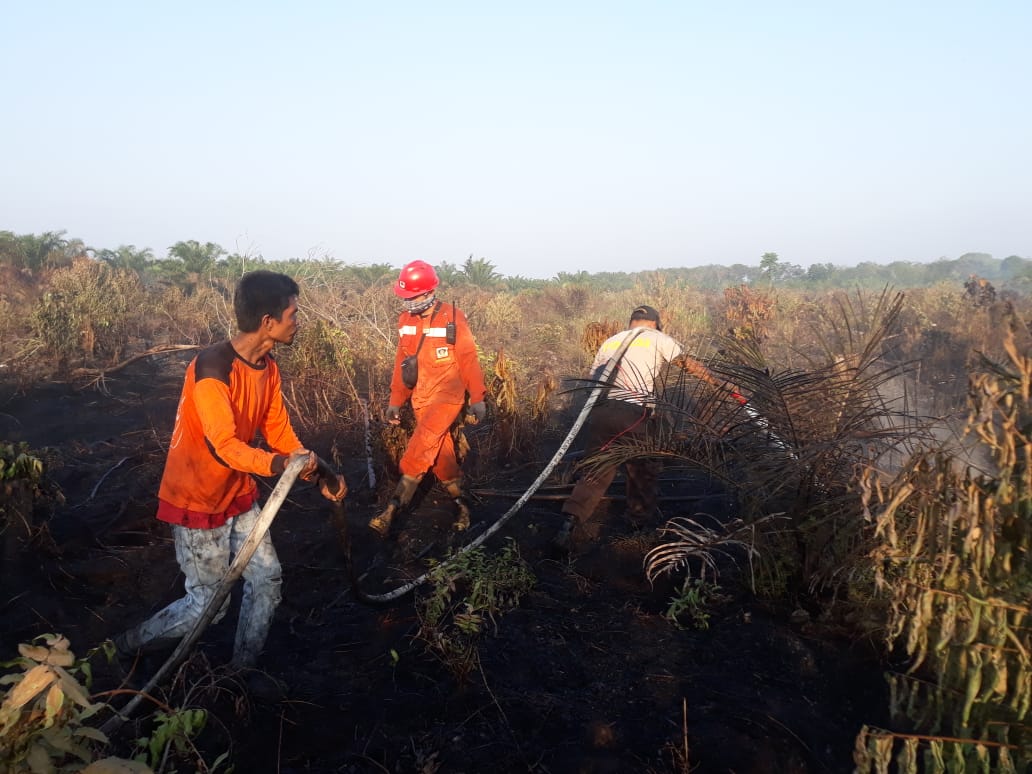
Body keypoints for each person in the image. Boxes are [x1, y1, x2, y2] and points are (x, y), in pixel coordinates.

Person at [114, 270, 346, 672]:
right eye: (293, 314)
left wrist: (315, 470)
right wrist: (278, 466)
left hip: (238, 495)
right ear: (267, 322)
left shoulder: (267, 367)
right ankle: (123, 648)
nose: (298, 321)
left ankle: (241, 671)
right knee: (208, 605)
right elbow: (222, 447)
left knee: (267, 580)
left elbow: (278, 430)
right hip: (196, 499)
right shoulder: (212, 370)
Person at [556, 304, 744, 551]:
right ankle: (639, 527)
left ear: (631, 322)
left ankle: (570, 520)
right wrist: (722, 384)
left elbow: (594, 380)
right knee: (642, 468)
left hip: (600, 412)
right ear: (655, 323)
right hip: (632, 415)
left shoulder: (611, 341)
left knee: (596, 470)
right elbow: (688, 364)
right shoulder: (657, 338)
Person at [368, 260, 487, 538]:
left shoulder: (453, 317)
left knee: (420, 448)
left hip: (448, 395)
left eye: (412, 296)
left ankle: (391, 510)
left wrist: (478, 397)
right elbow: (403, 363)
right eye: (405, 297)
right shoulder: (405, 322)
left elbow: (468, 358)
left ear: (428, 292)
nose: (407, 302)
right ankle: (464, 506)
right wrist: (395, 401)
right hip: (420, 397)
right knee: (441, 457)